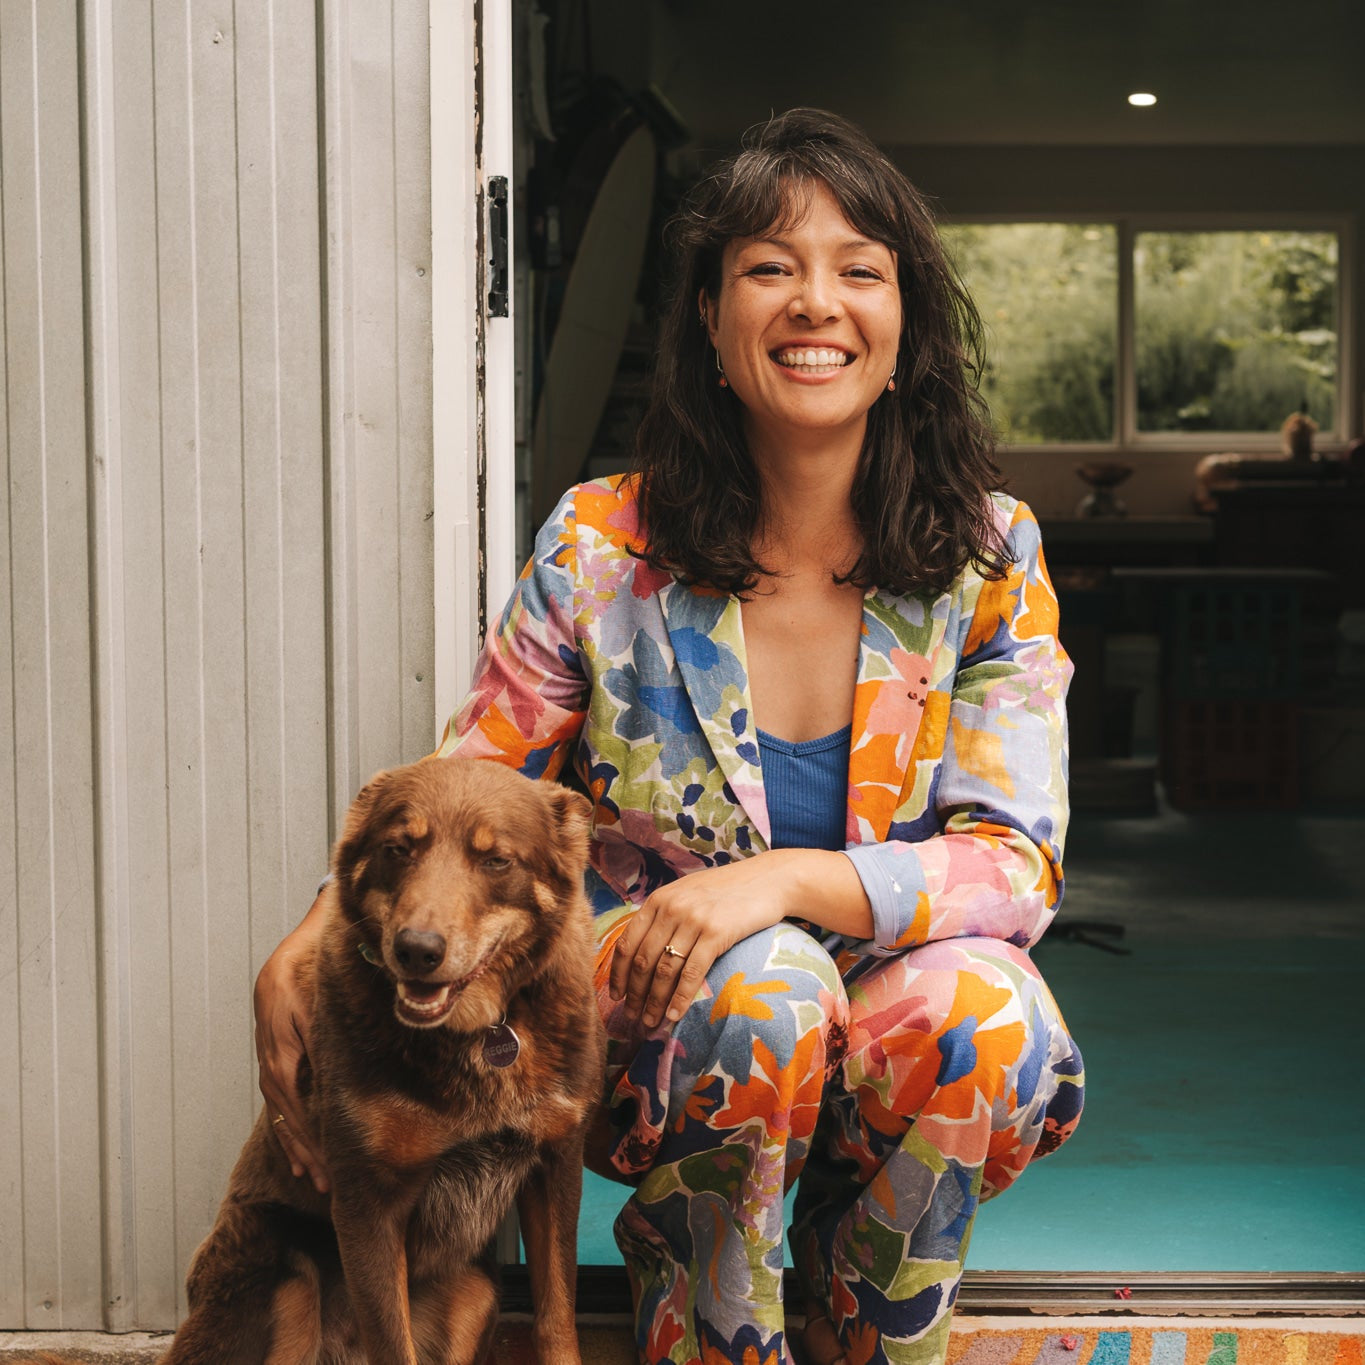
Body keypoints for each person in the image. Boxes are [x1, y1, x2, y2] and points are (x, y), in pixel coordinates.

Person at [255, 108, 1085, 1365]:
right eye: (769, 268)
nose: (817, 303)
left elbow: (1013, 866)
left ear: (905, 321)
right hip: (675, 1032)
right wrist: (316, 935)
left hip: (881, 1018)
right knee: (771, 984)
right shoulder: (601, 547)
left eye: (859, 270)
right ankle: (706, 1305)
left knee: (992, 1012)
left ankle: (867, 1320)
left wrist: (781, 882)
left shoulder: (987, 554)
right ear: (708, 315)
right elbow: (479, 775)